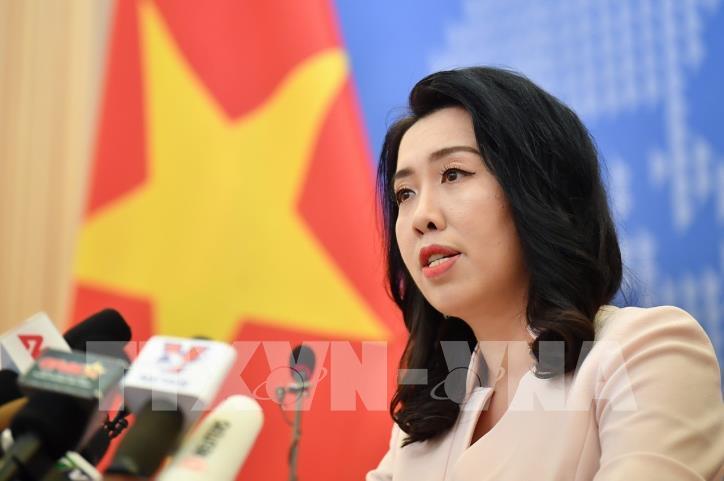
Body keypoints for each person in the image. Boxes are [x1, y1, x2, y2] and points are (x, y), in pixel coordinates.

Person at [367, 67, 724, 481]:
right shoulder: (422, 421)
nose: (420, 217)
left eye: (453, 174)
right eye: (404, 194)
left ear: (537, 190)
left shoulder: (644, 352)